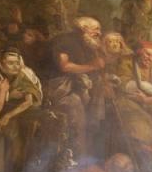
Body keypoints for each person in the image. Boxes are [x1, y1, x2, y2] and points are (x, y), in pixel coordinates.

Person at [44, 16, 106, 158]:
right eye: (96, 29)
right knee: (76, 107)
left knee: (98, 98)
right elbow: (64, 66)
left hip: (79, 87)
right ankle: (78, 155)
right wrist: (92, 66)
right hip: (58, 88)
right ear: (84, 29)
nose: (99, 33)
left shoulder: (88, 46)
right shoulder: (65, 40)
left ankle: (92, 136)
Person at [0, 47, 43, 172]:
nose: (15, 66)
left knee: (7, 129)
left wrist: (7, 116)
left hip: (25, 112)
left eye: (17, 63)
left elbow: (29, 102)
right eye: (10, 63)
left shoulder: (23, 75)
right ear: (0, 63)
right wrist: (8, 95)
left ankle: (3, 168)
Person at [114, 41, 152, 159]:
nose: (149, 58)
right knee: (138, 124)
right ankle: (144, 149)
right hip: (129, 102)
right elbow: (125, 84)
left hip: (148, 104)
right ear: (139, 53)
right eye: (147, 54)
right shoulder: (127, 64)